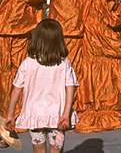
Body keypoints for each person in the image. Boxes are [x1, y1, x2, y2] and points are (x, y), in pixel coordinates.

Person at [5, 19, 79, 153]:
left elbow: (16, 90)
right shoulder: (64, 64)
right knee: (56, 150)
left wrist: (10, 115)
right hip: (58, 116)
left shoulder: (27, 63)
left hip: (35, 115)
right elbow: (70, 88)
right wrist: (66, 113)